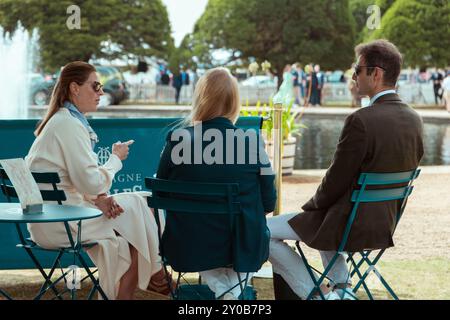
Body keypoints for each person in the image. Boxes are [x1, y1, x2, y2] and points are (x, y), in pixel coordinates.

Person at [267, 39, 424, 300]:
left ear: (376, 73)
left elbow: (333, 183)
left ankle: (316, 295)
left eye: (357, 69)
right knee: (327, 215)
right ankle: (343, 289)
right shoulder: (415, 120)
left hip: (347, 225)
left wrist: (312, 206)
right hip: (383, 225)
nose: (353, 76)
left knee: (262, 232)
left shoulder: (360, 120)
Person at [25, 61, 172, 300]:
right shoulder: (68, 125)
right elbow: (92, 182)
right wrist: (115, 159)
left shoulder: (62, 121)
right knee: (143, 209)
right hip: (65, 223)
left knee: (139, 210)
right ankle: (156, 274)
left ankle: (155, 275)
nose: (101, 92)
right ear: (75, 88)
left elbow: (76, 181)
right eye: (96, 86)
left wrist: (99, 200)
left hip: (52, 220)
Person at [156, 67, 277, 300]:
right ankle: (229, 294)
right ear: (234, 102)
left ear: (201, 99)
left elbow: (162, 193)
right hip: (243, 245)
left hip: (189, 244)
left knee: (202, 232)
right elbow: (269, 203)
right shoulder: (252, 142)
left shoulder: (178, 139)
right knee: (245, 234)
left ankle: (225, 293)